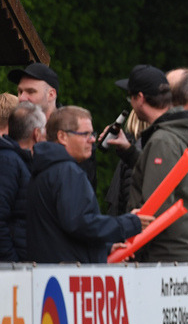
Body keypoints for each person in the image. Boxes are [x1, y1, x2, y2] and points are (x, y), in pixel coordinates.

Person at [25, 106, 152, 263]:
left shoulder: (44, 169)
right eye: (84, 134)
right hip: (68, 273)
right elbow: (80, 224)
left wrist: (104, 249)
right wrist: (129, 223)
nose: (92, 140)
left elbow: (60, 232)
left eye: (92, 134)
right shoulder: (67, 171)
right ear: (62, 136)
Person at [118, 64, 188, 262]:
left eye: (130, 97)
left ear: (139, 98)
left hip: (164, 255)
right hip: (186, 251)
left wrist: (129, 238)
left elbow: (155, 207)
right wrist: (130, 153)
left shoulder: (164, 140)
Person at [0, 102, 45, 261]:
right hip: (13, 266)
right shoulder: (9, 162)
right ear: (36, 134)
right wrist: (12, 262)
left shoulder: (21, 161)